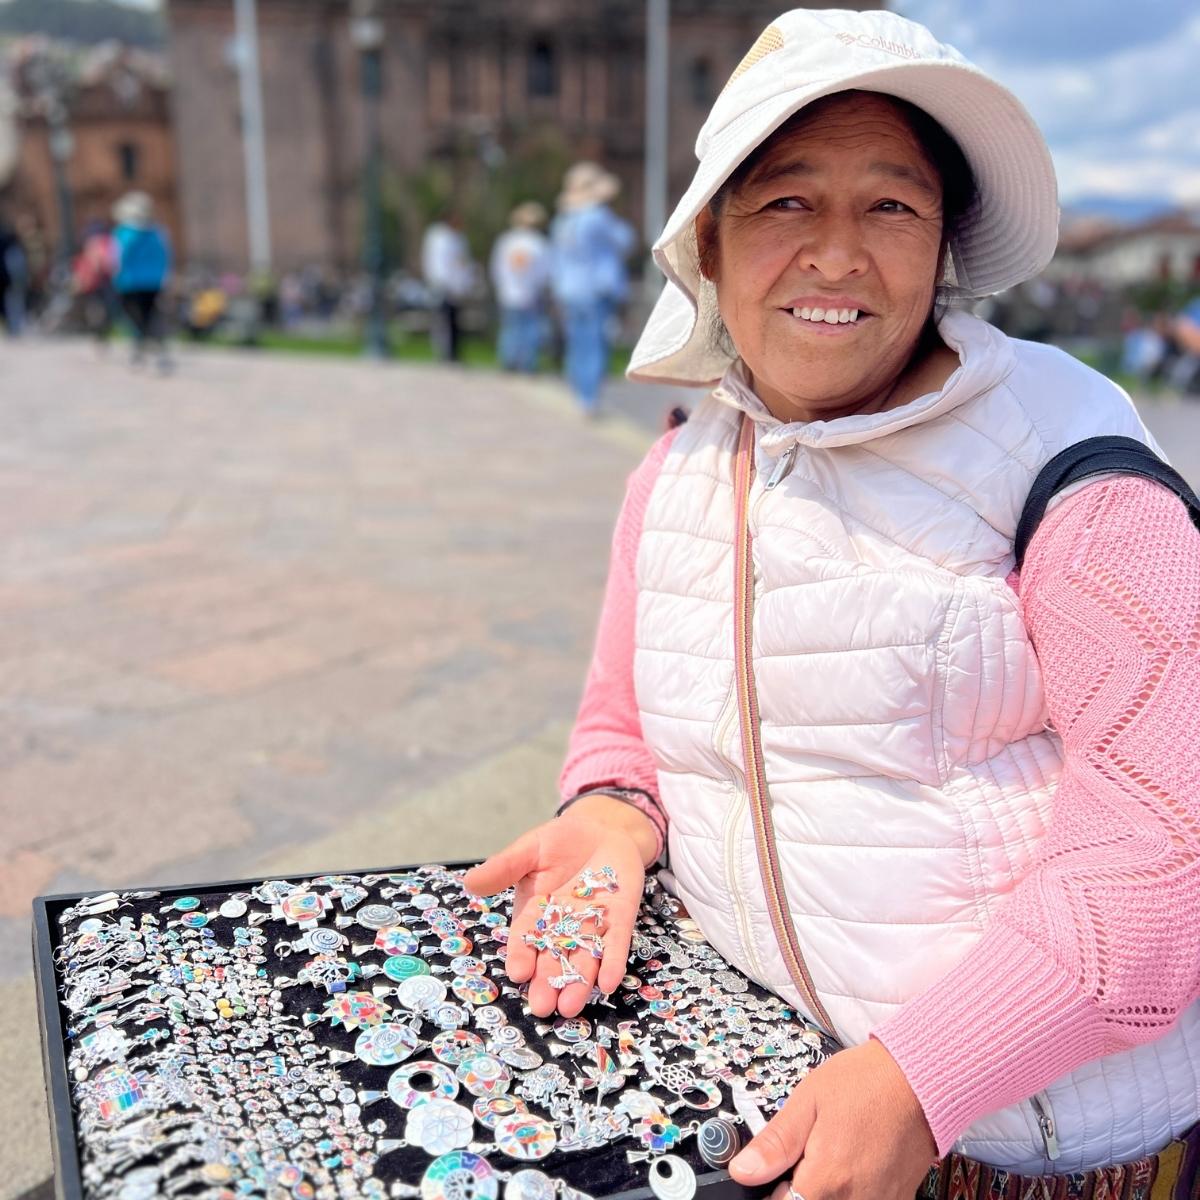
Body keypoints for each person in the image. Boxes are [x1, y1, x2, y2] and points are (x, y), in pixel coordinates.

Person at [464, 9, 1200, 1200]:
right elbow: (625, 726)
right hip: (788, 1087)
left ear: (944, 242)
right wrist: (608, 817)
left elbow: (1165, 855)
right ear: (710, 239)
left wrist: (922, 1076)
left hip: (1036, 1143)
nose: (838, 256)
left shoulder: (1074, 468)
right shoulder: (680, 471)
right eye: (787, 203)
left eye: (891, 207)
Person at [549, 162, 635, 415]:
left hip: (568, 289)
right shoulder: (598, 217)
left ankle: (578, 391)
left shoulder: (562, 222)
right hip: (595, 289)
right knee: (595, 341)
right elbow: (625, 240)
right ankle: (589, 396)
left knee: (577, 341)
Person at [112, 190, 172, 370]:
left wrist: (116, 275)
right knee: (150, 313)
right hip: (154, 281)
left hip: (130, 282)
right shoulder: (157, 232)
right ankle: (154, 346)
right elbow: (166, 255)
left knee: (133, 316)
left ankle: (141, 345)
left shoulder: (124, 232)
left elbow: (117, 257)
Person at [490, 201, 552, 372]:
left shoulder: (506, 241)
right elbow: (544, 272)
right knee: (530, 330)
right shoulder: (539, 243)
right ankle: (527, 364)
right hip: (530, 293)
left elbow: (497, 268)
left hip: (508, 292)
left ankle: (508, 361)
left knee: (510, 328)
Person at [421, 209, 476, 363]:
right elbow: (438, 264)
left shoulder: (459, 238)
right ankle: (444, 352)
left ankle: (454, 352)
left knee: (455, 321)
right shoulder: (439, 237)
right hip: (443, 285)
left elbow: (462, 263)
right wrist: (443, 282)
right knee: (442, 320)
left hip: (456, 287)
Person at [73, 220, 117, 348]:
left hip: (96, 283)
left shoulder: (92, 244)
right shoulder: (105, 243)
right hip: (101, 283)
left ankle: (99, 333)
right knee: (102, 310)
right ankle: (100, 333)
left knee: (97, 311)